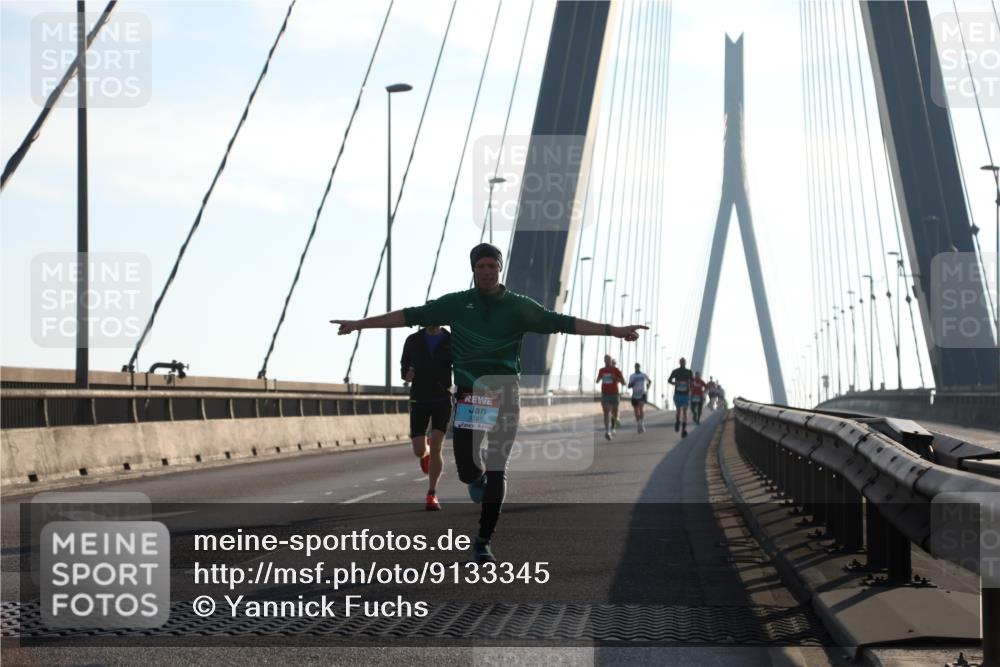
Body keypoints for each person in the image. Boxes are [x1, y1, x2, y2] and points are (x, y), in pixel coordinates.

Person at [332, 243, 647, 564]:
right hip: (470, 395)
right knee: (468, 470)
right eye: (480, 266)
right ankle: (477, 480)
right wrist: (360, 324)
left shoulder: (517, 306)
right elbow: (407, 316)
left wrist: (614, 331)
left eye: (492, 267)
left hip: (506, 394)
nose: (486, 272)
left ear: (500, 269)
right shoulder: (456, 304)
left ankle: (484, 539)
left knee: (497, 469)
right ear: (473, 270)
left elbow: (563, 322)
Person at [400, 324, 452, 511]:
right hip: (419, 399)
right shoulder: (413, 340)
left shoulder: (450, 340)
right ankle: (426, 450)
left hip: (442, 398)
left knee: (438, 445)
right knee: (419, 451)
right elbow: (404, 368)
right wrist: (408, 374)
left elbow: (462, 365)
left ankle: (432, 493)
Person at [596, 355, 625, 440]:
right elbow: (597, 380)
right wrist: (599, 378)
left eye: (608, 360)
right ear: (604, 361)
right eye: (606, 360)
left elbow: (623, 382)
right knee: (606, 412)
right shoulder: (602, 370)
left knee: (614, 413)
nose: (607, 362)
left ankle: (615, 421)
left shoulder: (616, 370)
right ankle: (607, 431)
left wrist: (615, 378)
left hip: (614, 394)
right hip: (605, 394)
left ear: (611, 361)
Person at [667, 357, 694, 438]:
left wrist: (689, 384)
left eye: (683, 362)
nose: (682, 363)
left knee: (685, 412)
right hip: (678, 394)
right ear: (679, 362)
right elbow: (669, 380)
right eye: (681, 362)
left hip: (686, 394)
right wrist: (675, 383)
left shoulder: (689, 372)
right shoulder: (675, 371)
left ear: (685, 363)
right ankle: (678, 422)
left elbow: (692, 382)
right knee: (678, 411)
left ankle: (683, 430)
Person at [627, 363, 652, 433]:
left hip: (642, 393)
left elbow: (649, 381)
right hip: (635, 394)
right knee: (636, 410)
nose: (637, 368)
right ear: (634, 367)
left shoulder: (644, 375)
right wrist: (632, 384)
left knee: (641, 407)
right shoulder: (632, 376)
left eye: (638, 366)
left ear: (639, 367)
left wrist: (648, 387)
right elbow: (629, 385)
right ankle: (639, 424)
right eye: (636, 367)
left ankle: (642, 423)